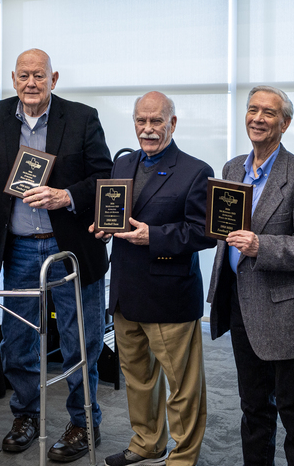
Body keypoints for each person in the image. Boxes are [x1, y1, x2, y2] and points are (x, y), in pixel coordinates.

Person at [0, 49, 112, 463]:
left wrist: (66, 196)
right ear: (13, 78)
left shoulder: (81, 117)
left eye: (39, 76)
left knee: (82, 341)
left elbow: (105, 176)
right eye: (24, 75)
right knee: (18, 342)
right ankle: (25, 417)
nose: (31, 83)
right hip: (20, 248)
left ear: (53, 79)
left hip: (71, 249)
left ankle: (83, 422)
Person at [91, 92, 217, 466]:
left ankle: (183, 457)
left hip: (169, 295)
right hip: (126, 292)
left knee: (182, 388)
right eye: (141, 120)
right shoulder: (124, 162)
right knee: (138, 378)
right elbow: (119, 214)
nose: (148, 128)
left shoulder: (195, 170)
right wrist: (104, 225)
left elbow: (204, 233)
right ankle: (147, 442)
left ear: (172, 123)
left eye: (156, 121)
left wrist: (154, 236)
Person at [207, 86, 294, 466]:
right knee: (253, 408)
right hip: (241, 304)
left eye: (269, 113)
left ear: (285, 123)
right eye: (252, 110)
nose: (257, 118)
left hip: (285, 312)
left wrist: (262, 246)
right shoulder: (232, 167)